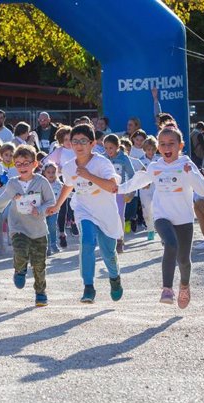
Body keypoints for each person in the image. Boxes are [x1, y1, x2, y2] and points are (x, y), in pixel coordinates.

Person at [118, 126, 204, 308]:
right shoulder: (155, 166)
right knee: (170, 243)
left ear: (180, 145)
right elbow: (139, 180)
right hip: (162, 216)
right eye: (163, 144)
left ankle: (184, 285)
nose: (167, 148)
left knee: (183, 260)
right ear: (158, 147)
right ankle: (167, 289)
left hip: (183, 218)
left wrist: (190, 172)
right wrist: (118, 189)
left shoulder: (187, 164)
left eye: (171, 144)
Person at [45, 123, 124, 304]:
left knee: (108, 252)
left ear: (93, 143)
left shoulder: (101, 162)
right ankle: (88, 286)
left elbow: (112, 186)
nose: (79, 145)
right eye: (75, 142)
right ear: (70, 144)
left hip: (105, 212)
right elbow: (69, 185)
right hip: (84, 209)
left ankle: (115, 278)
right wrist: (57, 206)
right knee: (87, 241)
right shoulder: (68, 166)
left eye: (83, 141)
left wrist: (88, 175)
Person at [0, 145, 55, 306]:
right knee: (20, 251)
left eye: (26, 163)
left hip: (38, 229)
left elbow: (51, 201)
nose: (22, 167)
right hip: (18, 227)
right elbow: (4, 199)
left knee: (39, 264)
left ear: (34, 164)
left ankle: (40, 292)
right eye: (18, 164)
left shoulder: (41, 182)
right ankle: (20, 270)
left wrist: (39, 209)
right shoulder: (13, 184)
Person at [103, 134, 135, 253]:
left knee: (119, 215)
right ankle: (109, 238)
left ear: (117, 146)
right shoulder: (103, 158)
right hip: (105, 191)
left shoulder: (124, 158)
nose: (108, 151)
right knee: (107, 215)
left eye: (111, 148)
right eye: (105, 148)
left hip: (119, 191)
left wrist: (130, 192)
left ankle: (120, 239)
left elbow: (132, 175)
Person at [139, 136, 159, 241]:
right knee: (147, 210)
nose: (150, 152)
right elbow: (138, 175)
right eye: (148, 149)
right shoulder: (141, 160)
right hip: (145, 189)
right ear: (145, 149)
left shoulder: (159, 160)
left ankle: (158, 228)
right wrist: (143, 182)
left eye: (152, 149)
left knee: (158, 208)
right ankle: (150, 229)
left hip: (157, 188)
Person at [42, 162, 63, 255]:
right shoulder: (41, 184)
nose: (51, 174)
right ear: (44, 173)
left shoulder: (59, 185)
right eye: (48, 172)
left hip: (54, 210)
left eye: (53, 172)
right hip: (43, 211)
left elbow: (64, 195)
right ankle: (47, 247)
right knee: (44, 228)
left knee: (52, 227)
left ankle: (53, 244)